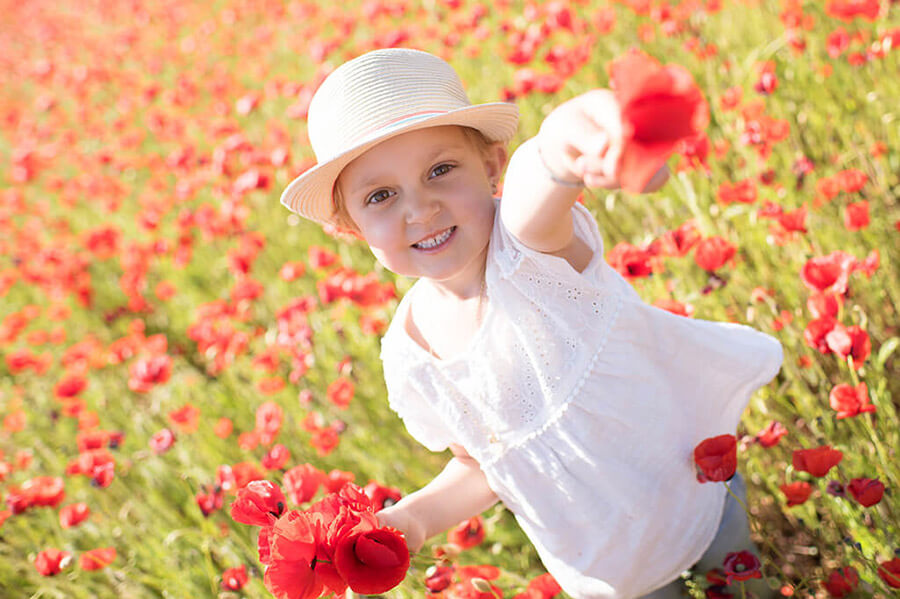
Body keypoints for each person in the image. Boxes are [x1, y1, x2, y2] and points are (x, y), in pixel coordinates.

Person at [280, 47, 782, 599]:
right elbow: (486, 465)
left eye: (441, 170)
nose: (420, 210)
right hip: (609, 564)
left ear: (492, 165)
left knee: (740, 589)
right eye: (381, 196)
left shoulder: (530, 256)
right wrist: (415, 519)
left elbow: (537, 183)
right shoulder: (412, 355)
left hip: (694, 494)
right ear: (352, 230)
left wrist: (576, 144)